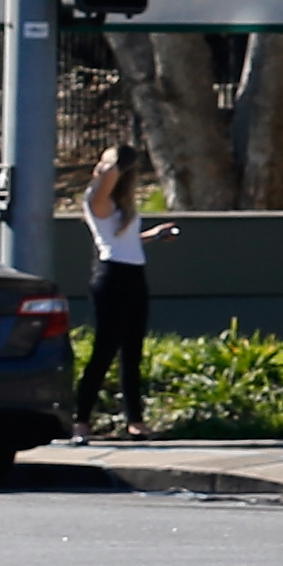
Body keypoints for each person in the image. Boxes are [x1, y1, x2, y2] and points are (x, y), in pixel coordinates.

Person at [76, 144, 170, 439]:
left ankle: (135, 420)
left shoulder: (121, 206)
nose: (100, 167)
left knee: (132, 352)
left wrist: (153, 236)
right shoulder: (97, 200)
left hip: (134, 276)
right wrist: (115, 161)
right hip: (111, 277)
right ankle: (81, 420)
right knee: (104, 350)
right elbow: (110, 174)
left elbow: (125, 240)